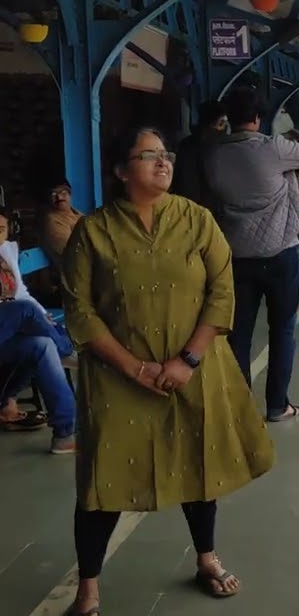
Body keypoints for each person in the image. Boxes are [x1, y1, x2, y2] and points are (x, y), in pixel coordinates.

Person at [60, 127, 276, 615]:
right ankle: (88, 590)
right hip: (118, 378)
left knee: (199, 464)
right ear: (120, 170)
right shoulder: (93, 230)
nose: (163, 163)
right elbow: (80, 310)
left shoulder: (196, 219)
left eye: (166, 155)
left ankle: (206, 557)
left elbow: (223, 291)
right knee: (102, 484)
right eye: (148, 155)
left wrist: (188, 359)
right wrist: (134, 368)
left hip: (194, 369)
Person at [205, 89, 299, 421]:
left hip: (236, 255)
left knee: (239, 334)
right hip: (280, 253)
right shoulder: (273, 148)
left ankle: (241, 409)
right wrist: (295, 134)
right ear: (258, 118)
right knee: (282, 330)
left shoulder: (215, 155)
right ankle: (277, 405)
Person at [0, 212, 76, 450]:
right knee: (25, 311)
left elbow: (21, 292)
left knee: (42, 345)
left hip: (6, 329)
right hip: (8, 320)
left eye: (1, 228)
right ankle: (69, 351)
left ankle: (66, 434)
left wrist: (43, 316)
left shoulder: (6, 253)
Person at [170, 101, 229, 212]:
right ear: (220, 123)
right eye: (223, 123)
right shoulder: (221, 146)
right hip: (212, 213)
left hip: (184, 208)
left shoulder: (184, 144)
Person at [40, 181, 82, 272]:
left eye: (63, 193)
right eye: (53, 194)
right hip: (74, 272)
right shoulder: (52, 220)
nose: (59, 197)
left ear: (70, 195)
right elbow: (70, 251)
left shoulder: (79, 215)